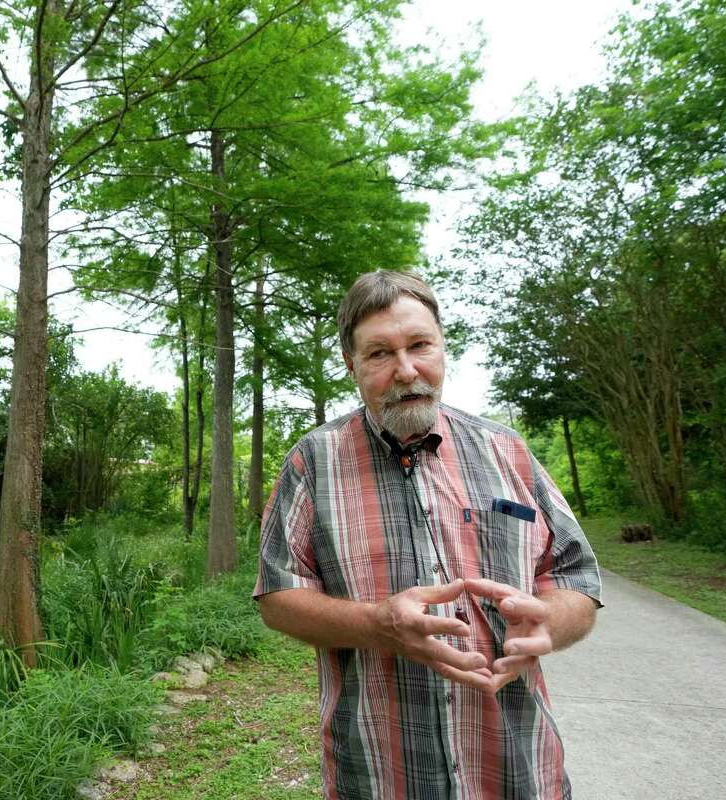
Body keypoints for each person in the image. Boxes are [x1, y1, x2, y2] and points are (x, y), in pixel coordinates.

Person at [254, 270, 602, 800]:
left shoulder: (506, 451)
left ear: (443, 347)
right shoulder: (312, 462)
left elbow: (576, 575)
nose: (406, 370)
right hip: (377, 772)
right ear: (352, 364)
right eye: (379, 354)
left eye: (420, 345)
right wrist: (376, 624)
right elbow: (278, 598)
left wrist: (552, 619)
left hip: (519, 767)